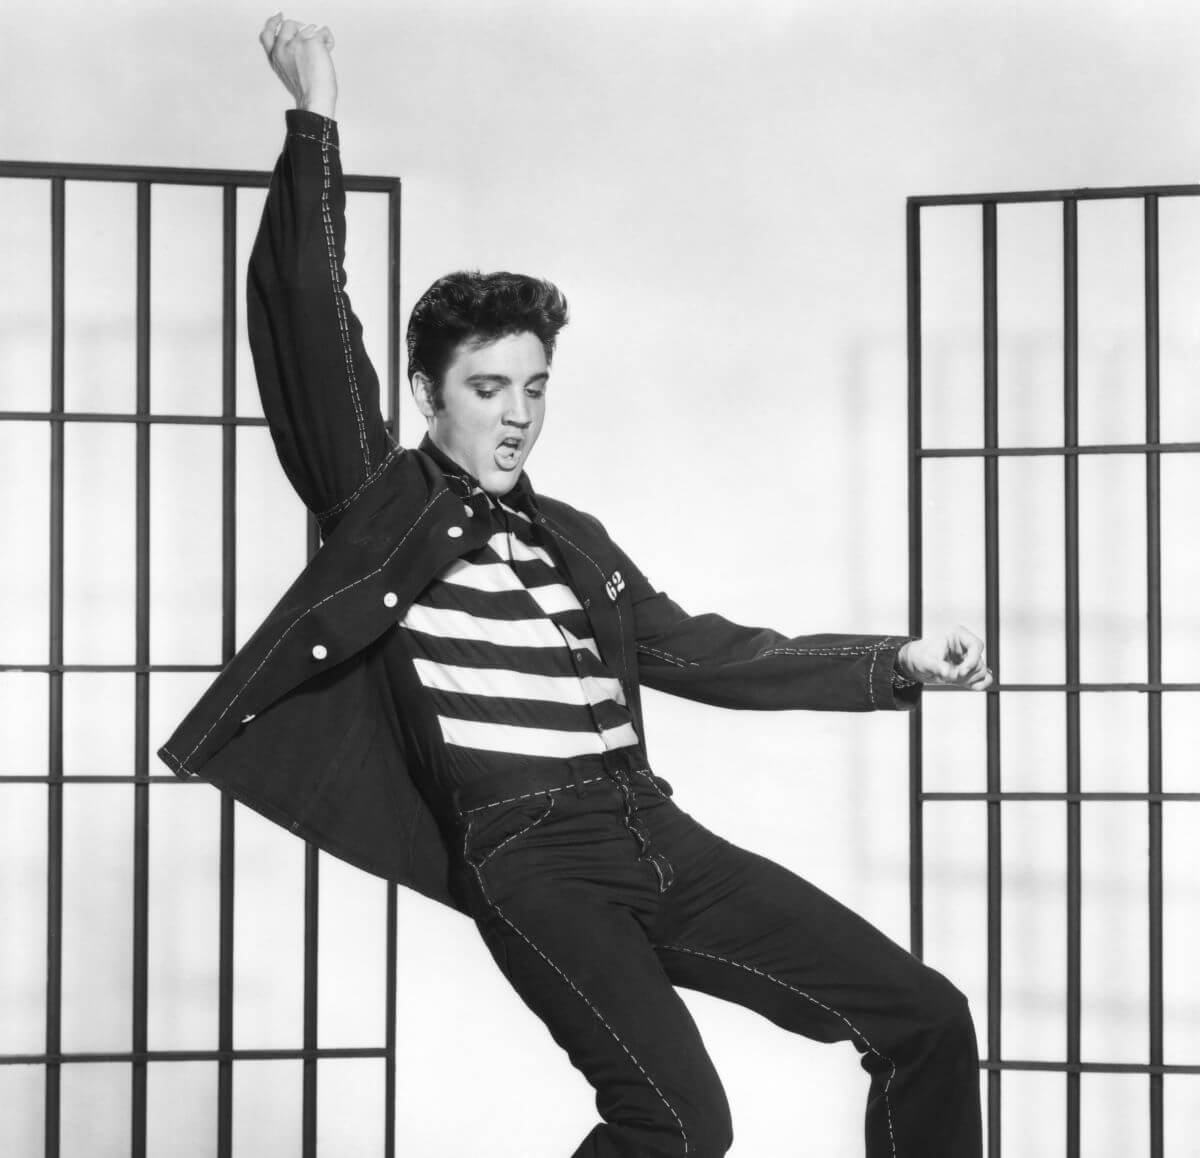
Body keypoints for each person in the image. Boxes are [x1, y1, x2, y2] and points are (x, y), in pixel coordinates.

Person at [160, 14, 993, 1157]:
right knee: (679, 1122)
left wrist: (888, 662)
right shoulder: (382, 503)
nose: (517, 415)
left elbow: (701, 650)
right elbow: (309, 316)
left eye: (535, 388)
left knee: (927, 1019)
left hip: (654, 830)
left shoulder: (573, 539)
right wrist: (315, 119)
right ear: (424, 393)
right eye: (490, 386)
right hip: (531, 856)